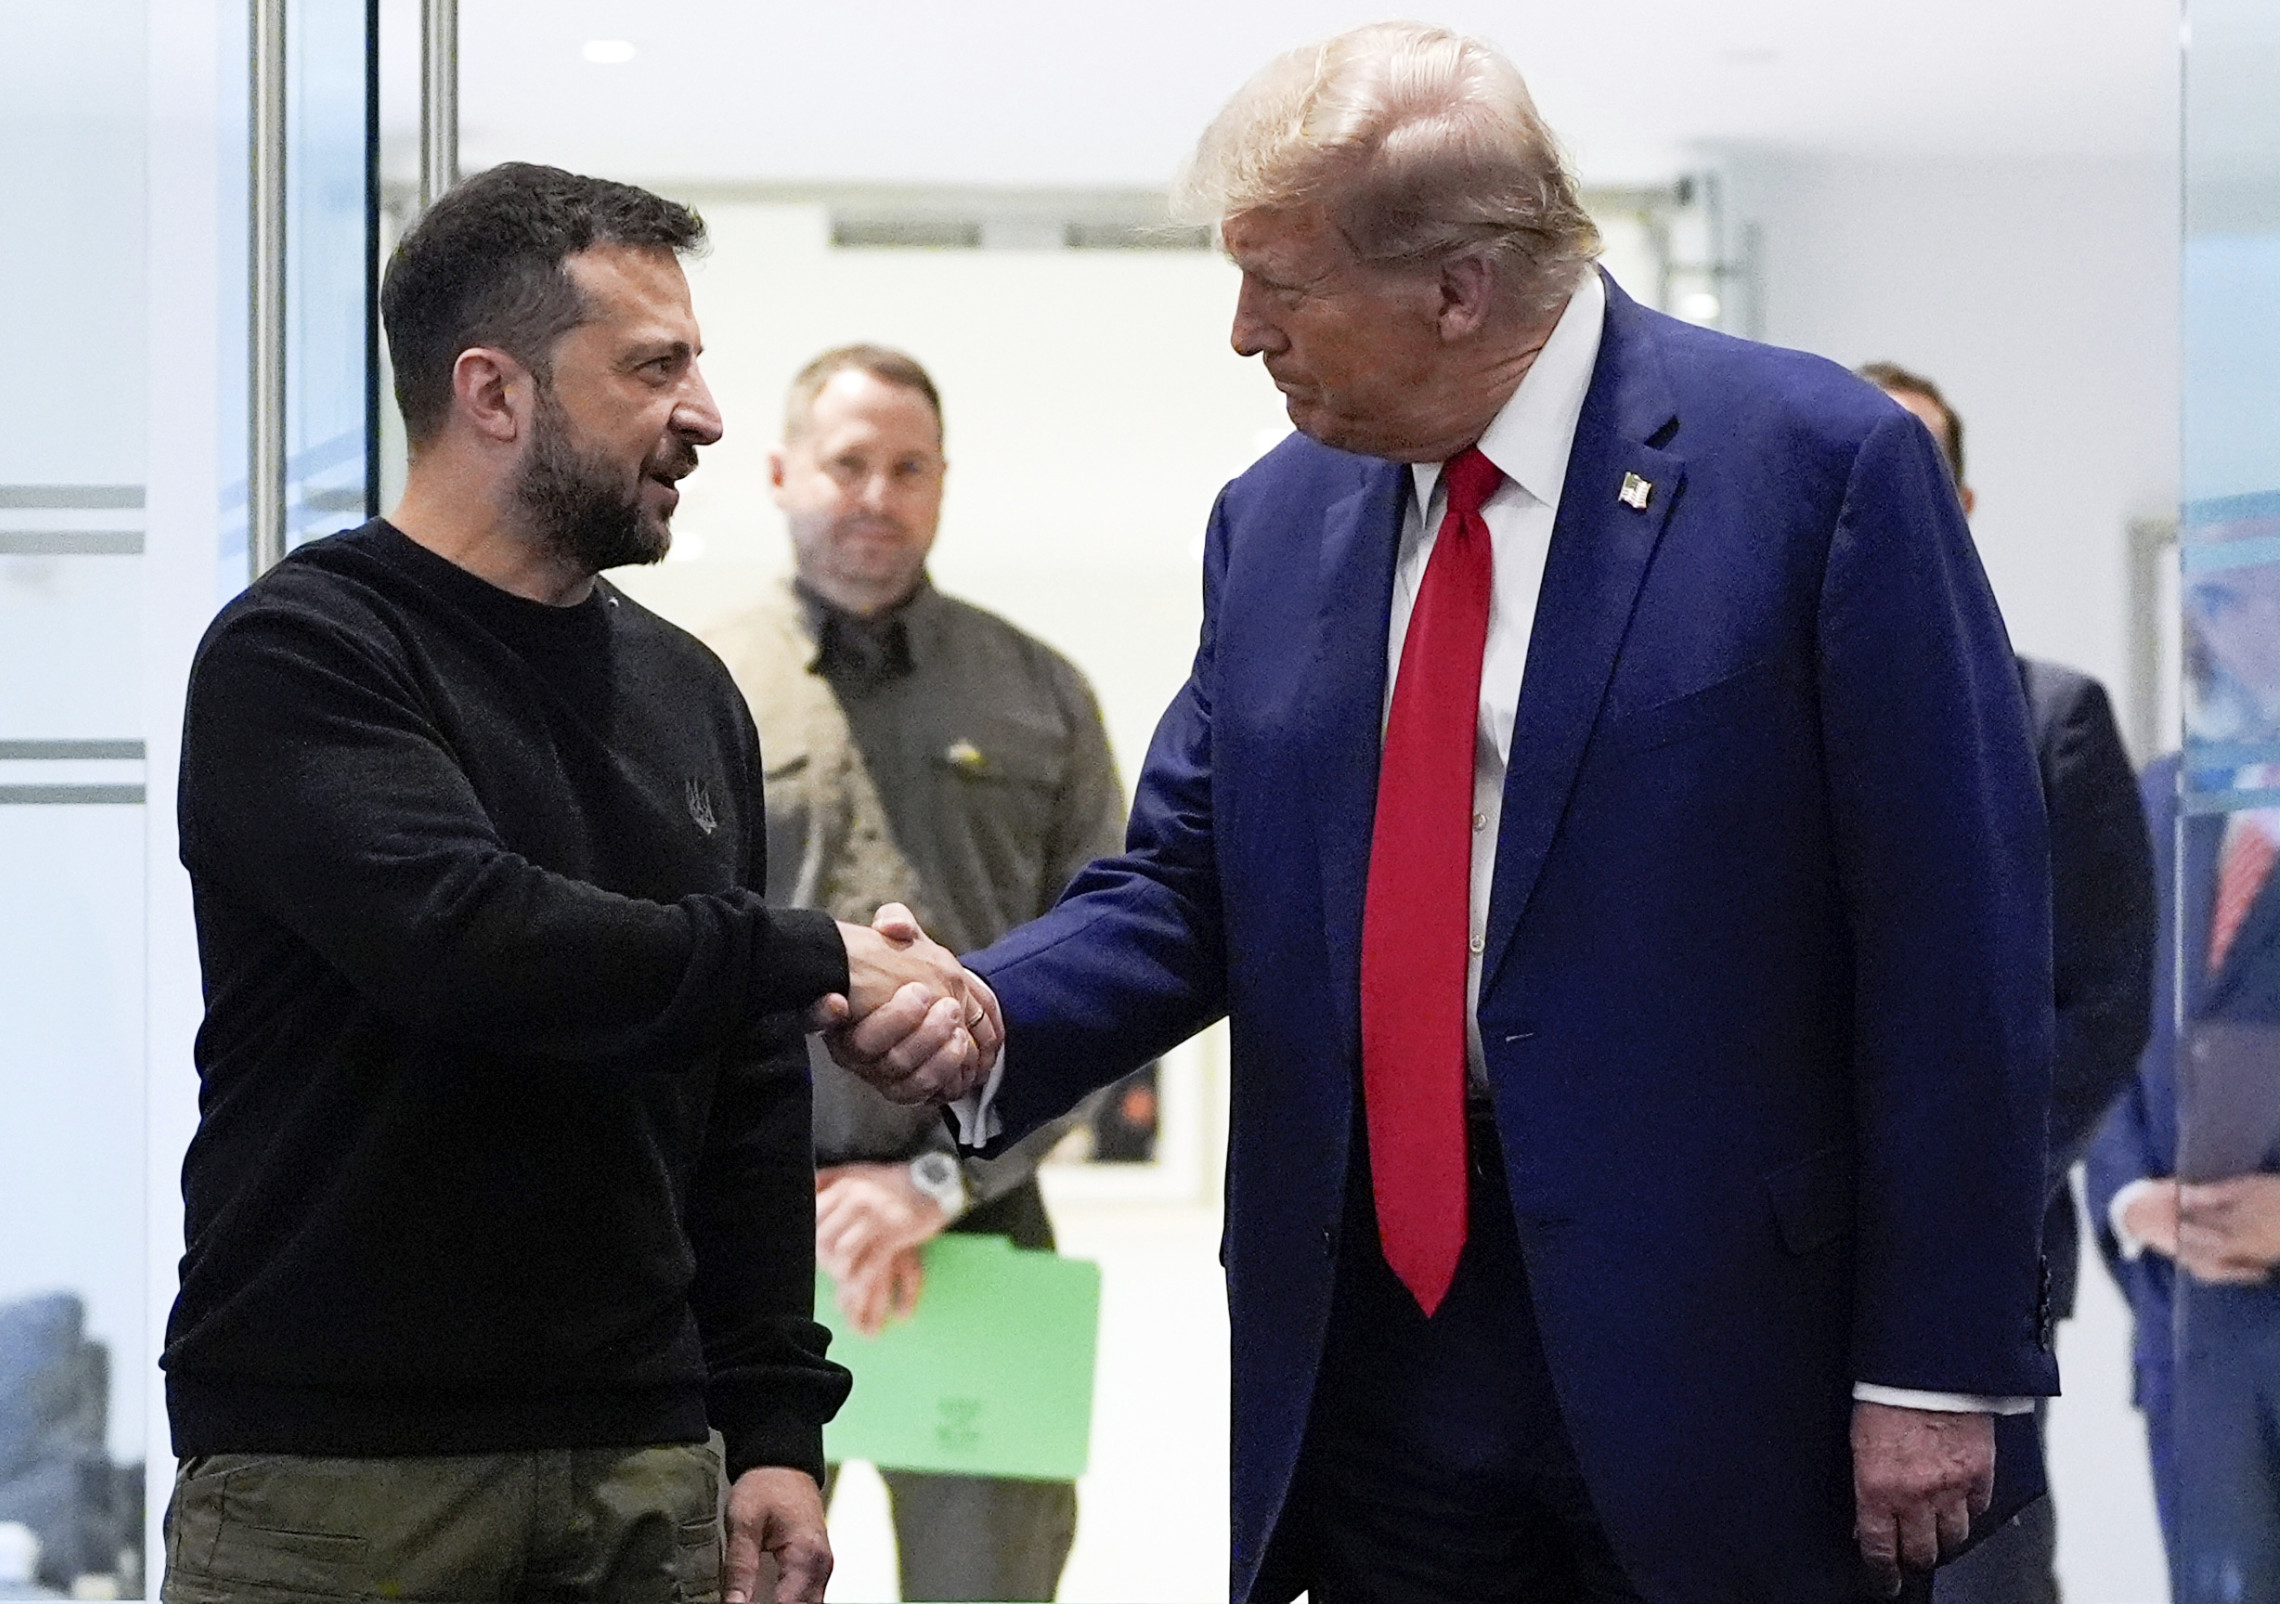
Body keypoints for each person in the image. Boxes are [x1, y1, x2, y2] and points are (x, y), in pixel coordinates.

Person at [834, 24, 2059, 1603]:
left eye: (1282, 282)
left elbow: (1954, 936)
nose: (1241, 333)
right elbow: (1193, 881)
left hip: (1727, 1360)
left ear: (1458, 288)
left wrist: (1938, 1364)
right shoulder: (1274, 521)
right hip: (1374, 1350)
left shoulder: (1818, 471)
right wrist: (992, 1012)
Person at [160, 163, 994, 1604]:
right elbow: (469, 942)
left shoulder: (690, 694)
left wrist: (774, 1427)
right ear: (494, 392)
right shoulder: (305, 654)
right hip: (339, 1484)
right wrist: (816, 956)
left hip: (645, 1469)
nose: (708, 416)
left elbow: (741, 1101)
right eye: (654, 367)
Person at [702, 344, 1132, 1601]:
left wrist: (937, 1182)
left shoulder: (1041, 695)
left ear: (943, 484)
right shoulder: (694, 684)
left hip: (982, 1240)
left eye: (907, 467)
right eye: (846, 463)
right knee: (739, 1573)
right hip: (748, 1259)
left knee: (987, 1586)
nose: (874, 494)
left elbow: (1109, 975)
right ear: (782, 472)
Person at [1861, 364, 2156, 1604]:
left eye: (1913, 474)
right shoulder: (1739, 718)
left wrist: (1952, 1192)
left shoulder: (2054, 716)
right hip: (1762, 1276)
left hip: (1981, 1270)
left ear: (1963, 501)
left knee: (1982, 1574)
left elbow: (2101, 1006)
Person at [2087, 551, 2280, 1604]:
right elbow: (2099, 1026)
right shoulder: (2160, 797)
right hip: (2188, 1340)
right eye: (2226, 595)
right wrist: (2127, 1196)